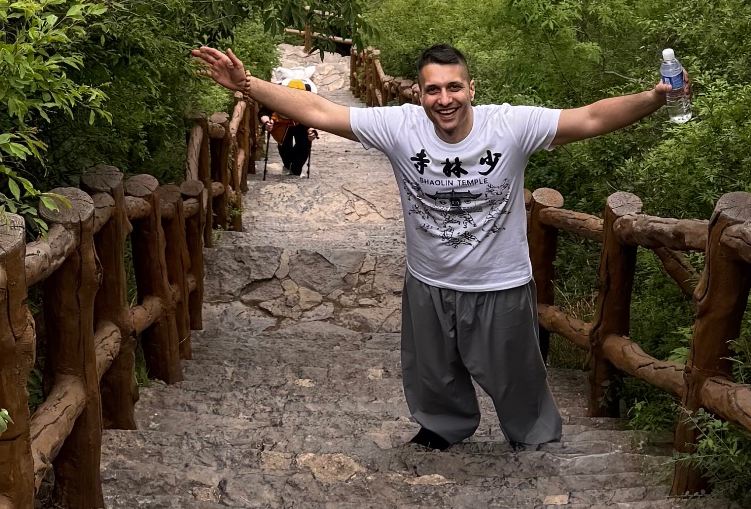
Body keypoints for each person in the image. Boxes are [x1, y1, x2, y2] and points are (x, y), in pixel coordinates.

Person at [192, 42, 682, 450]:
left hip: (500, 282)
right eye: (433, 89)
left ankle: (532, 436)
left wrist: (656, 98)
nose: (444, 99)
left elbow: (593, 118)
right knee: (431, 369)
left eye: (453, 87)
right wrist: (246, 85)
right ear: (421, 94)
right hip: (429, 279)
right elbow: (320, 110)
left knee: (517, 374)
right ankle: (444, 427)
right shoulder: (400, 126)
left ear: (471, 89)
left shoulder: (510, 125)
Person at [268, 78, 316, 176]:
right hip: (283, 122)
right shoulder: (278, 98)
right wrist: (267, 121)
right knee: (284, 145)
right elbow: (265, 111)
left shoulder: (309, 99)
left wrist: (312, 129)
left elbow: (313, 115)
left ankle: (296, 169)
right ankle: (287, 164)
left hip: (302, 122)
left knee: (304, 145)